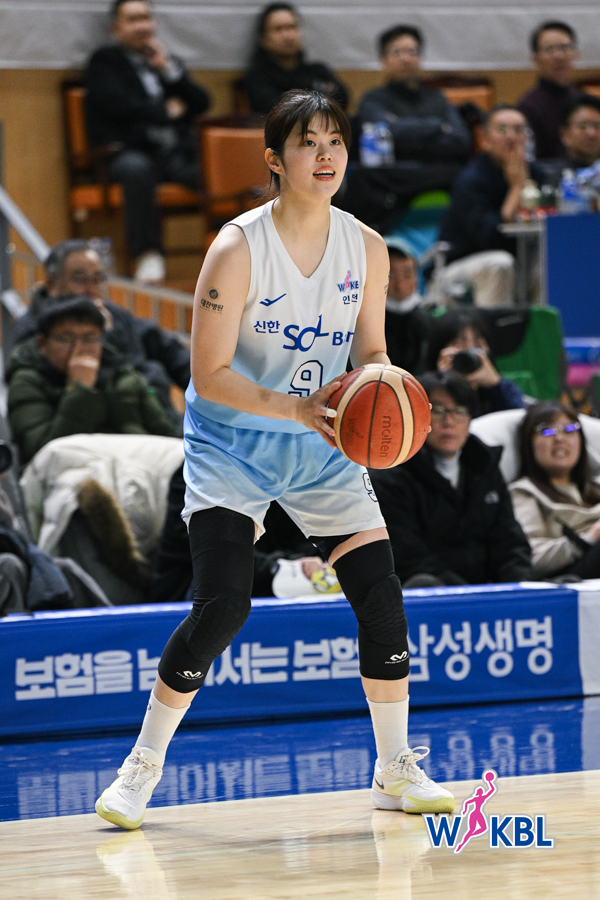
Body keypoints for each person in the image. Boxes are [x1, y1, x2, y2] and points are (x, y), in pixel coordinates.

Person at [95, 89, 454, 831]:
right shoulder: (237, 248)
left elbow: (372, 349)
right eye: (306, 143)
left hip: (322, 444)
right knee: (224, 605)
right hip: (233, 444)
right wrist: (295, 408)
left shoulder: (368, 247)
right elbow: (208, 375)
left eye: (335, 142)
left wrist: (386, 388)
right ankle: (141, 766)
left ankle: (394, 767)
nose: (325, 155)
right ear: (274, 160)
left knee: (381, 598)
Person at [85, 0, 210, 281]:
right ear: (115, 28)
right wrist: (164, 112)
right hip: (128, 150)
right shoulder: (104, 62)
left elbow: (201, 103)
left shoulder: (163, 61)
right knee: (136, 169)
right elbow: (117, 105)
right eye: (133, 20)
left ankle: (236, 248)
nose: (142, 26)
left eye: (146, 18)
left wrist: (168, 69)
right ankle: (148, 254)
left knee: (216, 169)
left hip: (172, 153)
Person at [369, 370, 531, 588]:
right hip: (429, 594)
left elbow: (510, 542)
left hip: (487, 592)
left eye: (459, 410)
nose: (449, 421)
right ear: (415, 416)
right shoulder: (391, 475)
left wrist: (517, 590)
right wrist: (469, 595)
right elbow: (408, 557)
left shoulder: (485, 465)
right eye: (437, 411)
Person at [14, 239, 191, 422]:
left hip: (156, 414)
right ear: (51, 284)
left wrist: (202, 385)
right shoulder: (34, 330)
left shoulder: (112, 312)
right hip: (108, 420)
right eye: (79, 279)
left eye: (97, 279)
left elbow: (166, 347)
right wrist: (104, 333)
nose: (91, 289)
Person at [7, 296, 177, 465]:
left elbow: (168, 436)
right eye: (66, 339)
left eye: (89, 339)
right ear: (43, 344)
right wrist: (79, 389)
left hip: (139, 467)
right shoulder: (27, 382)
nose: (79, 349)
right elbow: (43, 454)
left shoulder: (122, 375)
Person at [437, 105, 545, 307]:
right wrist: (516, 188)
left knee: (549, 265)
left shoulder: (537, 174)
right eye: (502, 130)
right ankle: (495, 328)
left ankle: (546, 328)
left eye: (519, 130)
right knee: (500, 263)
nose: (511, 137)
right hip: (461, 266)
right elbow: (488, 238)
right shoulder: (471, 179)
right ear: (485, 140)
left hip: (518, 263)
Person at [509, 402, 600, 580]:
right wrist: (589, 537)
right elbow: (528, 557)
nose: (559, 438)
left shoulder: (594, 488)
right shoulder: (524, 493)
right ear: (529, 444)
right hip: (570, 576)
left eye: (569, 429)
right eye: (546, 431)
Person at [357, 25, 470, 165]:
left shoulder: (437, 97)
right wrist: (438, 126)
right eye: (397, 52)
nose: (405, 59)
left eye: (412, 52)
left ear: (420, 57)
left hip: (437, 173)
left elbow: (460, 141)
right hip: (393, 174)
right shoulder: (373, 100)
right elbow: (382, 137)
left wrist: (406, 138)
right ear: (384, 60)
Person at [245, 3, 348, 115]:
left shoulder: (318, 71)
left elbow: (341, 100)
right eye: (278, 29)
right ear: (263, 38)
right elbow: (273, 109)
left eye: (292, 27)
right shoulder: (258, 76)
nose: (288, 36)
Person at [425, 308, 524, 416]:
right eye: (459, 343)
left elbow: (518, 419)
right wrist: (442, 382)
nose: (469, 349)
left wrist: (496, 385)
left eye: (477, 343)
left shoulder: (502, 387)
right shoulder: (424, 389)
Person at [518, 21, 582, 160]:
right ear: (535, 59)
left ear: (575, 54)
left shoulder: (583, 102)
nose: (559, 56)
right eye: (550, 49)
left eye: (565, 48)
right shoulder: (528, 106)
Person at [383, 237, 431, 375]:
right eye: (391, 276)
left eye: (407, 274)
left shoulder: (429, 320)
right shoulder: (363, 322)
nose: (400, 286)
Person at [560, 95, 600, 169]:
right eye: (582, 126)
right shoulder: (548, 174)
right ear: (564, 134)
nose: (591, 133)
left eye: (597, 126)